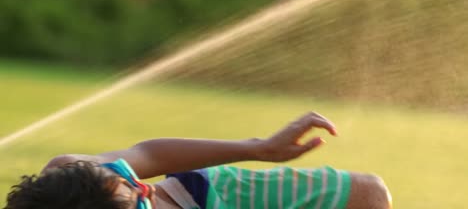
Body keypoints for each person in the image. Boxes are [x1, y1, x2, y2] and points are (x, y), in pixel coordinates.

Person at [4, 112, 392, 209]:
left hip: (206, 193)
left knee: (369, 194)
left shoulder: (69, 172)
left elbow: (151, 155)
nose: (145, 186)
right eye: (138, 201)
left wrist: (258, 148)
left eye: (127, 179)